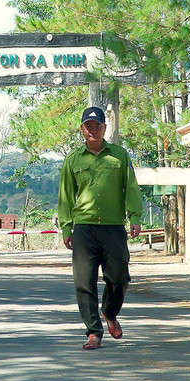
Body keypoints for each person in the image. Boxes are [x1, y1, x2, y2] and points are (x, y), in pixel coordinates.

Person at [58, 106, 143, 350]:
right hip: (84, 228)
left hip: (113, 227)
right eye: (88, 126)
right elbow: (65, 196)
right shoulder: (73, 159)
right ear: (82, 129)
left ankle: (109, 312)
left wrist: (135, 215)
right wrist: (66, 228)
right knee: (84, 282)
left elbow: (132, 187)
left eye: (97, 126)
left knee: (119, 278)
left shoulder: (119, 155)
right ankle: (93, 332)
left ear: (105, 128)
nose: (92, 130)